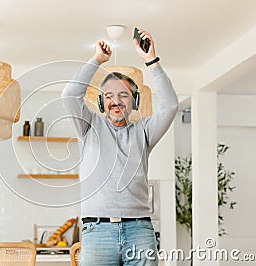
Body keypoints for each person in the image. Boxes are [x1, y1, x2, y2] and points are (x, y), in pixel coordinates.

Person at [61, 29, 179, 265]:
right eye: (109, 96)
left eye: (124, 95)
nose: (116, 101)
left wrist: (151, 61)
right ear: (101, 102)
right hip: (97, 232)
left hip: (140, 231)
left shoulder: (144, 131)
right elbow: (69, 96)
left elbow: (170, 106)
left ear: (134, 102)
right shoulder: (88, 127)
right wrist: (96, 60)